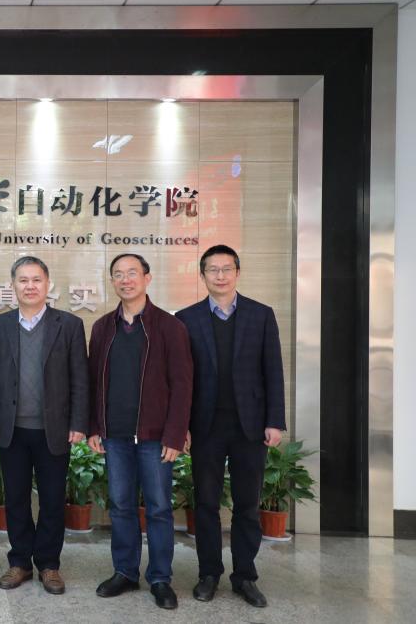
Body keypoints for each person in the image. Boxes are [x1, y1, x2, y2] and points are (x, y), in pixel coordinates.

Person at [176, 244, 286, 608]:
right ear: (202, 275)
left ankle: (245, 576)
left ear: (238, 272)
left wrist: (275, 421)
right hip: (205, 426)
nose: (220, 275)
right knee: (206, 503)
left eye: (226, 269)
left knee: (247, 505)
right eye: (213, 269)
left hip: (249, 426)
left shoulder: (261, 315)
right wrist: (181, 426)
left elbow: (273, 371)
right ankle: (209, 573)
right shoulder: (187, 318)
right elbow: (182, 379)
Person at [88, 253, 192, 610]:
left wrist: (175, 434)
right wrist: (94, 427)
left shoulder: (169, 327)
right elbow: (93, 381)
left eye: (132, 273)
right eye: (118, 274)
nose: (125, 280)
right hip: (114, 436)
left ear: (147, 278)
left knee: (159, 508)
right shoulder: (103, 327)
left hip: (156, 437)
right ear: (112, 282)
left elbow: (183, 385)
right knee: (121, 506)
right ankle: (125, 571)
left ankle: (160, 578)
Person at [0, 255, 89, 595]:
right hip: (11, 429)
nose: (30, 286)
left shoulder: (69, 324)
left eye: (36, 280)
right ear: (13, 285)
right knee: (15, 499)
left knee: (53, 500)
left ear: (48, 284)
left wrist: (78, 422)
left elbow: (80, 379)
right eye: (23, 280)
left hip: (54, 429)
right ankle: (19, 562)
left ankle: (49, 564)